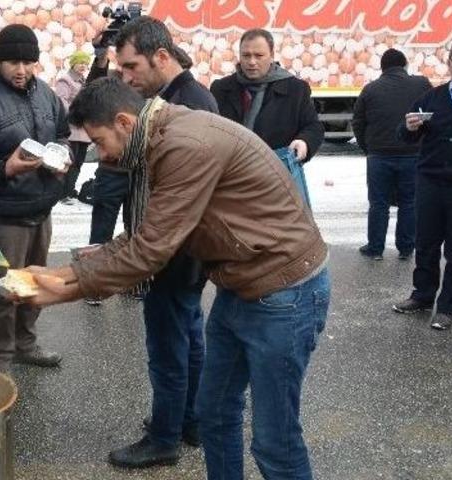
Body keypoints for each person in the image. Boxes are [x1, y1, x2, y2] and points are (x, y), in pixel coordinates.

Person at [25, 76, 331, 480]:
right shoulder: (164, 135)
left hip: (284, 293)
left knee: (275, 440)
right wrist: (58, 275)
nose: (102, 155)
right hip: (242, 284)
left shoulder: (182, 144)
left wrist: (61, 290)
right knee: (213, 413)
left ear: (124, 122)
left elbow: (150, 250)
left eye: (100, 142)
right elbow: (152, 233)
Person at [79, 16, 219, 469]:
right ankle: (188, 420)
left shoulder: (188, 107)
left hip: (173, 251)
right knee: (188, 337)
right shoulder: (169, 99)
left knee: (168, 348)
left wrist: (85, 275)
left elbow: (182, 202)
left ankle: (164, 438)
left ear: (161, 57)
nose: (125, 76)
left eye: (130, 66)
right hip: (172, 244)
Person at [0, 24, 70, 372]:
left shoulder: (46, 95)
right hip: (0, 216)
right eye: (13, 62)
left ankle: (25, 343)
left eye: (28, 62)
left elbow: (63, 134)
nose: (22, 70)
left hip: (41, 210)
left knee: (31, 283)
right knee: (3, 290)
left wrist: (64, 156)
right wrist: (5, 169)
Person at [392, 37, 452, 331]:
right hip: (430, 181)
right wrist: (408, 128)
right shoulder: (431, 98)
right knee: (426, 243)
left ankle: (447, 308)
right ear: (449, 63)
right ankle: (422, 296)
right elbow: (405, 135)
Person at [352, 48, 432, 261]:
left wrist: (368, 148)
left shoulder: (370, 89)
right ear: (405, 65)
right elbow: (432, 115)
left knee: (378, 203)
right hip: (413, 154)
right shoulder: (421, 84)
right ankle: (406, 248)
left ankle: (375, 249)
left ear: (382, 68)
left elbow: (358, 122)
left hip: (379, 155)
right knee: (409, 202)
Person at [210, 29, 324, 164]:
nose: (252, 62)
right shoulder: (221, 89)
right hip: (230, 169)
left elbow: (313, 126)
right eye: (246, 55)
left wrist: (304, 142)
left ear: (272, 55)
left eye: (259, 55)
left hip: (277, 169)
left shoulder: (295, 89)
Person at [54, 50, 92, 203]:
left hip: (83, 129)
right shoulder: (65, 80)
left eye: (86, 63)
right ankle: (63, 193)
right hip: (71, 128)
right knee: (69, 161)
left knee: (78, 162)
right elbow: (61, 102)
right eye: (81, 62)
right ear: (73, 63)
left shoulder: (84, 81)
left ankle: (69, 190)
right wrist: (77, 113)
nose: (83, 66)